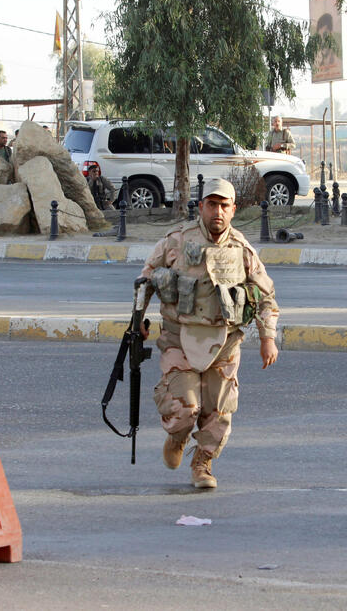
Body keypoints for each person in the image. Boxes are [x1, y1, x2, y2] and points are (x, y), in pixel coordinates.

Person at [138, 178, 279, 489]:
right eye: (212, 204)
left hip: (224, 341)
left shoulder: (242, 249)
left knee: (220, 409)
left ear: (233, 210)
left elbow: (266, 295)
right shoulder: (175, 242)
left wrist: (267, 337)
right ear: (201, 207)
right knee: (186, 408)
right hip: (179, 336)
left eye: (224, 206)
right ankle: (177, 436)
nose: (218, 211)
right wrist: (137, 320)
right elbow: (145, 278)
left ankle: (203, 463)